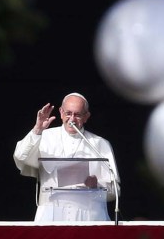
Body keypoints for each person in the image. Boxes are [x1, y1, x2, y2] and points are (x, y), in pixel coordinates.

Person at [13, 92, 120, 222]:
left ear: (86, 116)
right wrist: (37, 130)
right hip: (51, 215)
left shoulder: (100, 144)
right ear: (61, 112)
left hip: (88, 217)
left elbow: (115, 191)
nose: (72, 119)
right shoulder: (44, 137)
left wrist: (96, 185)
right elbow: (20, 157)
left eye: (77, 115)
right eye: (68, 113)